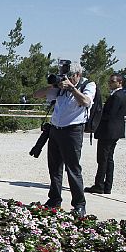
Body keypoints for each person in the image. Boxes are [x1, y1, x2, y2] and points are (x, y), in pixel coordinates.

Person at [33, 61, 95, 217]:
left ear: (77, 75)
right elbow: (37, 95)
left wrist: (72, 88)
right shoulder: (60, 88)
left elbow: (86, 102)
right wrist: (54, 85)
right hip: (55, 129)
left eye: (68, 76)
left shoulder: (88, 84)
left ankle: (79, 205)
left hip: (73, 131)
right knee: (54, 168)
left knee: (73, 169)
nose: (64, 78)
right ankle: (54, 200)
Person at [86, 74, 126, 195]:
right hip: (114, 132)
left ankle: (99, 185)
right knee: (108, 159)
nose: (110, 83)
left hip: (108, 132)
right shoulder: (122, 95)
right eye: (109, 81)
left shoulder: (116, 96)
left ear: (120, 83)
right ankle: (107, 185)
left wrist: (96, 118)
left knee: (103, 159)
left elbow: (110, 115)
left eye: (112, 81)